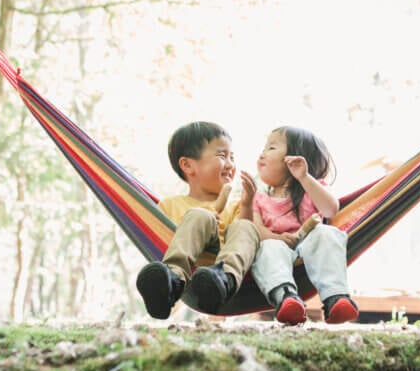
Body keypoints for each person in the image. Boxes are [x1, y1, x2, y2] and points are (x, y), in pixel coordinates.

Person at [135, 121, 259, 319]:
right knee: (199, 215)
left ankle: (223, 281)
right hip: (192, 270)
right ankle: (172, 281)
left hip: (229, 269)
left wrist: (247, 205)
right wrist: (216, 205)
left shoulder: (238, 203)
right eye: (222, 155)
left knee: (246, 227)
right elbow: (161, 241)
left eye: (232, 157)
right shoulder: (170, 206)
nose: (230, 164)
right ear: (187, 165)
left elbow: (246, 243)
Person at [245, 126, 359, 325]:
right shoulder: (259, 198)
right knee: (266, 248)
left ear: (294, 159)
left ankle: (336, 298)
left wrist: (304, 177)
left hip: (311, 250)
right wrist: (277, 238)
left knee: (326, 233)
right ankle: (287, 298)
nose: (262, 153)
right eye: (264, 147)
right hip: (277, 249)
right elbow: (256, 229)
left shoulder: (310, 190)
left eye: (271, 148)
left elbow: (331, 210)